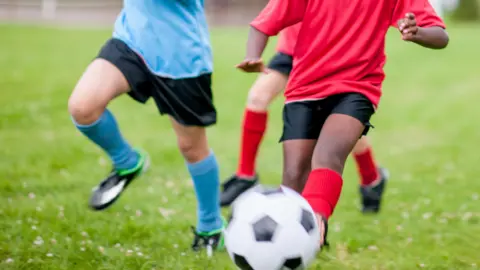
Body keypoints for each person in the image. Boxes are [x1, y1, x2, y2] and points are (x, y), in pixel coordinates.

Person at [237, 0, 449, 247]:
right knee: (294, 175)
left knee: (328, 156)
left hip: (357, 87)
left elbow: (440, 36)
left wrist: (418, 32)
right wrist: (252, 55)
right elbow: (264, 22)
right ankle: (295, 239)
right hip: (304, 88)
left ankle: (314, 233)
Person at [67, 0, 224, 253]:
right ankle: (127, 161)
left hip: (181, 57)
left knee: (192, 147)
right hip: (132, 43)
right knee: (83, 107)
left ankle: (211, 225)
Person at [221, 23, 389, 215]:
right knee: (257, 97)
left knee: (341, 127)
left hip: (326, 54)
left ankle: (371, 179)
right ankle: (245, 175)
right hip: (291, 51)